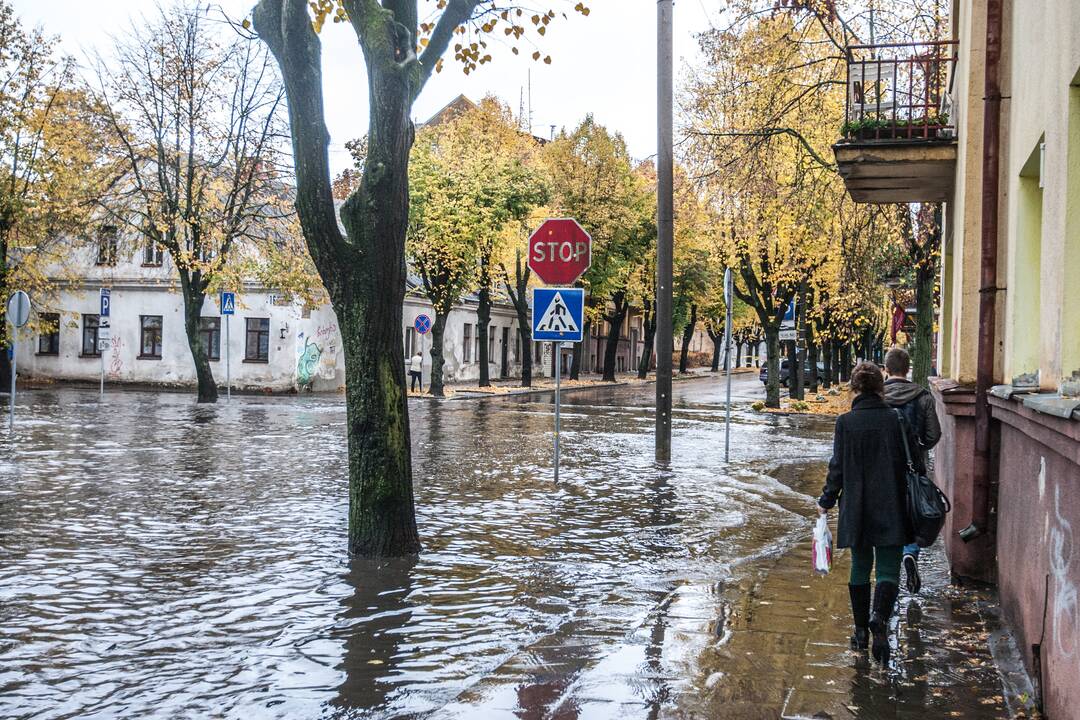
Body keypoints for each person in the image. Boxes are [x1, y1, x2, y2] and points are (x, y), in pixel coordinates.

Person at [817, 361, 922, 663]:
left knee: (860, 566)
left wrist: (826, 499)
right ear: (880, 386)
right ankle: (880, 619)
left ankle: (860, 631)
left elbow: (836, 468)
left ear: (854, 388)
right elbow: (916, 461)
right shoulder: (897, 420)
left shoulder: (845, 423)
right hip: (891, 504)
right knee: (888, 568)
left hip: (857, 507)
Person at [883, 347, 941, 595]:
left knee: (888, 510)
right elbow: (933, 434)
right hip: (913, 465)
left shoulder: (878, 396)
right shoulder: (923, 397)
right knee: (911, 510)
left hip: (883, 467)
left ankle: (890, 561)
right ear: (908, 369)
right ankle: (909, 552)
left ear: (886, 369)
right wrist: (917, 449)